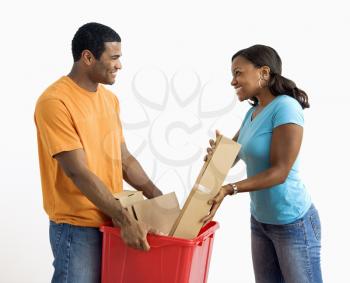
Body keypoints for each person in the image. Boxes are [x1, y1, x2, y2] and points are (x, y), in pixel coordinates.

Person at [34, 22, 163, 283]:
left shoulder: (109, 99)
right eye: (114, 57)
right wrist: (125, 219)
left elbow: (124, 160)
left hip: (111, 222)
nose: (119, 65)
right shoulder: (55, 102)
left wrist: (157, 197)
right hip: (76, 227)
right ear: (88, 57)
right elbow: (77, 171)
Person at [203, 44, 322, 283]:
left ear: (264, 72)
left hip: (293, 222)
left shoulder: (286, 108)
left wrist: (229, 188)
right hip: (261, 221)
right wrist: (217, 155)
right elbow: (232, 154)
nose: (233, 81)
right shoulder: (254, 112)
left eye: (238, 72)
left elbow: (280, 172)